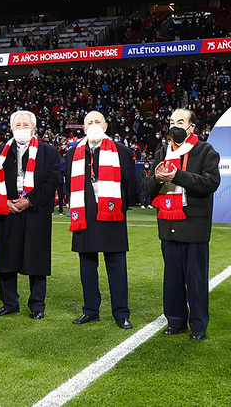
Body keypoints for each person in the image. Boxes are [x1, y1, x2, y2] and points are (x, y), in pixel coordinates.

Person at [141, 109, 220, 340]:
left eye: (181, 122)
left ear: (191, 127)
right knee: (172, 279)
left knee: (196, 280)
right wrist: (156, 178)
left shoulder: (205, 150)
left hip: (194, 226)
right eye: (172, 121)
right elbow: (147, 187)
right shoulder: (161, 152)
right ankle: (175, 321)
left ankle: (198, 325)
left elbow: (210, 182)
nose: (175, 126)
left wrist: (177, 176)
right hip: (167, 224)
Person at [66, 110, 138, 329]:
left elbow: (130, 185)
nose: (94, 125)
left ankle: (121, 313)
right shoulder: (73, 153)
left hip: (112, 214)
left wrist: (120, 208)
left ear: (105, 126)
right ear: (84, 128)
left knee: (116, 265)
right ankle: (90, 310)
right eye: (90, 122)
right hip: (84, 216)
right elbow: (69, 185)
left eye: (98, 121)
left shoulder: (121, 151)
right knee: (87, 265)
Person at [0, 110, 60, 320]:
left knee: (36, 259)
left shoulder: (49, 152)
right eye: (17, 125)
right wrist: (6, 202)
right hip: (7, 210)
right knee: (6, 259)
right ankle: (9, 303)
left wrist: (30, 200)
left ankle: (37, 305)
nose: (21, 129)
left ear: (34, 128)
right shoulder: (0, 151)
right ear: (11, 129)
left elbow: (51, 182)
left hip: (35, 212)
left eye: (25, 125)